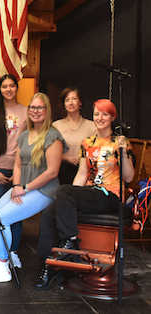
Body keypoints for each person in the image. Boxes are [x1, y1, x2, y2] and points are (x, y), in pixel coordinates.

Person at [34, 99, 135, 290]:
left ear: (112, 117)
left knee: (64, 192)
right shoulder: (87, 143)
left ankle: (70, 242)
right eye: (97, 113)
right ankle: (50, 265)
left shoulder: (120, 142)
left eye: (105, 114)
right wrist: (68, 197)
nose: (100, 118)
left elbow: (129, 177)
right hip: (90, 192)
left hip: (110, 195)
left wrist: (122, 154)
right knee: (49, 213)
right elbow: (81, 174)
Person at [0, 92, 66, 284]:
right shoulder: (24, 135)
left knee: (4, 218)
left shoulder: (53, 136)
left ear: (47, 111)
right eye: (32, 107)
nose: (35, 111)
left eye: (40, 107)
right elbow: (17, 165)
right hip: (22, 186)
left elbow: (52, 172)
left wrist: (25, 188)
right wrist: (16, 185)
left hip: (44, 190)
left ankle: (3, 265)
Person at [0, 74, 27, 268]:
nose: (8, 89)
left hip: (20, 170)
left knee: (16, 212)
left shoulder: (26, 111)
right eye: (4, 87)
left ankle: (13, 251)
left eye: (11, 86)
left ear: (16, 88)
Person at [51, 87, 96, 184]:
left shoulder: (92, 126)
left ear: (80, 102)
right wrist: (66, 158)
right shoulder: (55, 126)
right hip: (61, 172)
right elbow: (48, 152)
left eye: (74, 99)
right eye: (67, 100)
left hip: (86, 172)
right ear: (64, 104)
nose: (71, 103)